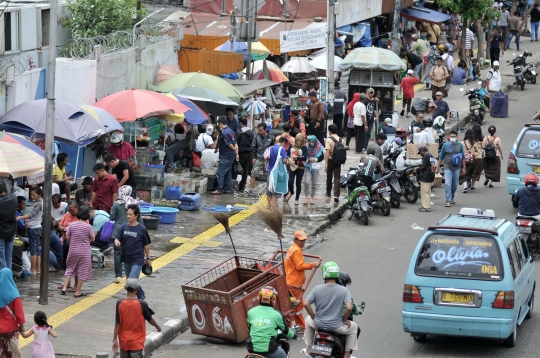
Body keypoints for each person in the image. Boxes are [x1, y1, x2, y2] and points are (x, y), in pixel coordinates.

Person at [303, 262, 358, 358]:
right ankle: (346, 353)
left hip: (318, 324)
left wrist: (313, 316)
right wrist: (344, 320)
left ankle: (309, 347)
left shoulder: (317, 289)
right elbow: (349, 308)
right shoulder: (343, 290)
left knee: (308, 320)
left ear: (324, 274)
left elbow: (306, 304)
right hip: (336, 326)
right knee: (353, 328)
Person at [113, 278, 161, 358]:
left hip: (124, 341)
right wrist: (157, 326)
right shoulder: (141, 303)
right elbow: (150, 320)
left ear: (125, 288)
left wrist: (114, 340)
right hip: (136, 342)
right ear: (138, 288)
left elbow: (117, 323)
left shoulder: (119, 303)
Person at [283, 230, 320, 334]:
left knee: (291, 305)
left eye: (304, 240)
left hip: (290, 280)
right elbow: (299, 266)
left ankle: (289, 326)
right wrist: (313, 264)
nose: (303, 242)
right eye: (301, 241)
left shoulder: (292, 248)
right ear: (295, 240)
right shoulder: (296, 251)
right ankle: (301, 326)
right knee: (297, 305)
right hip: (295, 283)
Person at [115, 204, 152, 300]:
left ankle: (130, 299)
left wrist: (148, 258)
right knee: (129, 280)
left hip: (137, 259)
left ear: (137, 215)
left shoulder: (142, 229)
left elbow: (146, 245)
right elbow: (117, 237)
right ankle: (140, 295)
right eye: (127, 214)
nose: (128, 216)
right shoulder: (124, 227)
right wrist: (117, 241)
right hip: (126, 258)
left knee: (132, 280)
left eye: (130, 214)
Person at [247, 286, 296, 358]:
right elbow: (286, 331)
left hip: (251, 348)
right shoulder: (277, 314)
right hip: (269, 349)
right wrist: (293, 335)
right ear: (273, 299)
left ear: (259, 297)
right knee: (283, 355)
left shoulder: (250, 312)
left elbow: (249, 329)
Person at [60, 205, 94, 297]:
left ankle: (64, 287)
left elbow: (67, 237)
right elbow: (92, 239)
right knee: (82, 270)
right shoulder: (88, 227)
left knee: (70, 268)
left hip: (73, 250)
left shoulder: (72, 225)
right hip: (84, 252)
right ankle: (77, 291)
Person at [110, 186, 141, 284]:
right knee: (131, 252)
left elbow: (112, 217)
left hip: (118, 232)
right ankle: (131, 274)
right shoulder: (135, 204)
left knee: (117, 253)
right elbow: (140, 218)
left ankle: (118, 275)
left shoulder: (116, 204)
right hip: (132, 232)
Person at [16, 186, 43, 274]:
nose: (31, 196)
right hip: (37, 226)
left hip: (34, 228)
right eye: (31, 194)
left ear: (39, 194)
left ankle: (33, 269)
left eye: (33, 194)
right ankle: (38, 269)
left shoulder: (39, 204)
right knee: (37, 249)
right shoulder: (40, 203)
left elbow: (31, 216)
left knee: (33, 249)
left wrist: (20, 217)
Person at [436, 130, 466, 207]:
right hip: (447, 167)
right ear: (449, 137)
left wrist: (464, 168)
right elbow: (441, 157)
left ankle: (452, 196)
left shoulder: (460, 145)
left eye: (454, 137)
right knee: (448, 184)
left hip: (456, 168)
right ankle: (448, 200)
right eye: (451, 137)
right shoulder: (445, 145)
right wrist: (437, 167)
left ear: (457, 137)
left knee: (455, 185)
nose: (452, 138)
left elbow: (463, 157)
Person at [0, 268, 25, 358]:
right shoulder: (15, 295)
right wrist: (21, 328)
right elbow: (19, 315)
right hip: (11, 330)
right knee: (11, 354)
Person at [211, 118, 238, 195]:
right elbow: (235, 143)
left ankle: (219, 189)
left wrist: (234, 150)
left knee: (221, 172)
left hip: (226, 155)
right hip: (231, 155)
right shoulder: (231, 131)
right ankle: (227, 189)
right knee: (228, 172)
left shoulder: (224, 132)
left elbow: (229, 144)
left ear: (220, 124)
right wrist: (236, 152)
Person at [248, 123, 275, 194]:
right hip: (258, 157)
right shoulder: (256, 135)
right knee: (254, 173)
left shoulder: (271, 136)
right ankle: (250, 188)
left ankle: (269, 189)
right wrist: (253, 157)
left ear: (265, 129)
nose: (259, 132)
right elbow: (253, 146)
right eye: (258, 130)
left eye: (261, 130)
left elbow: (273, 147)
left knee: (268, 175)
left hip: (268, 160)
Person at [266, 137, 290, 210]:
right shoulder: (281, 149)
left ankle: (269, 206)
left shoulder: (270, 148)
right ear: (283, 143)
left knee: (270, 190)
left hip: (270, 171)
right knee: (276, 191)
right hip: (277, 172)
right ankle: (273, 208)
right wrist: (288, 161)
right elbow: (284, 160)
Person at [286, 134, 308, 205]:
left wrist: (297, 157)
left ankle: (296, 199)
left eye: (300, 141)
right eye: (297, 141)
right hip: (292, 166)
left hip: (300, 167)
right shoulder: (291, 146)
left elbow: (305, 157)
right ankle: (291, 192)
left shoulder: (304, 147)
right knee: (290, 182)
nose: (298, 142)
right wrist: (289, 159)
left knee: (298, 183)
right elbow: (287, 154)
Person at [324, 124, 343, 204]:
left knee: (329, 177)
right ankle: (336, 195)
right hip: (338, 161)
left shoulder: (329, 140)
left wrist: (326, 163)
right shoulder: (341, 139)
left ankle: (328, 194)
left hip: (331, 160)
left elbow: (327, 151)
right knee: (337, 177)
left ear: (330, 131)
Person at [460, 129, 483, 193]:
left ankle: (465, 186)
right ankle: (468, 183)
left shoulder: (462, 142)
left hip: (464, 160)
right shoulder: (474, 143)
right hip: (472, 160)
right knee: (470, 173)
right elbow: (477, 151)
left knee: (464, 173)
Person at [0, 182, 17, 270]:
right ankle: (8, 276)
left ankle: (4, 277)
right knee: (8, 256)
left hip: (1, 232)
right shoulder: (13, 198)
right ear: (5, 189)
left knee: (1, 257)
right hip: (11, 231)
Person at [304, 135, 324, 205]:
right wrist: (307, 159)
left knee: (314, 183)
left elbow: (322, 157)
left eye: (312, 142)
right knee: (306, 181)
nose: (311, 143)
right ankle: (306, 196)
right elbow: (304, 155)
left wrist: (315, 159)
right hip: (308, 165)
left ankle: (312, 197)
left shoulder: (319, 147)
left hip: (315, 166)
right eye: (310, 142)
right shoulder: (306, 146)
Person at [236, 117, 254, 193]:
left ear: (240, 123)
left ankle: (235, 185)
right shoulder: (251, 132)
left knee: (237, 169)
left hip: (241, 153)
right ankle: (242, 187)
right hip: (249, 153)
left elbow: (237, 142)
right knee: (245, 170)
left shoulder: (240, 132)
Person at [416, 146, 436, 212]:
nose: (420, 154)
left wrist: (417, 168)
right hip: (431, 175)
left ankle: (426, 207)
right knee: (428, 192)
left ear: (422, 151)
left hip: (426, 176)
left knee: (424, 192)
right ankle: (425, 205)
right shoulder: (431, 156)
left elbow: (423, 166)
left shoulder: (426, 156)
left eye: (420, 153)